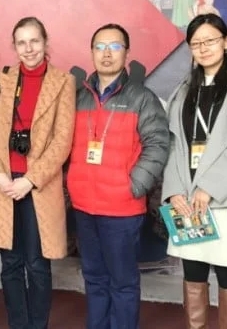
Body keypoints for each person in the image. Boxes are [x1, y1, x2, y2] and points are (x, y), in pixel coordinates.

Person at [162, 13, 227, 329]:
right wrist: (175, 190)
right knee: (193, 271)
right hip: (189, 197)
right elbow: (175, 145)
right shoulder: (183, 90)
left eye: (210, 40)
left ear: (226, 42)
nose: (204, 48)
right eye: (196, 43)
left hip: (226, 197)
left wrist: (210, 187)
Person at [0, 17, 76, 329]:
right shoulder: (3, 80)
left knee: (37, 264)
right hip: (4, 187)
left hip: (38, 187)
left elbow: (62, 139)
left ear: (45, 43)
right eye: (22, 42)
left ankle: (37, 325)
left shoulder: (63, 82)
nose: (29, 48)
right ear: (14, 47)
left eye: (34, 41)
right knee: (10, 264)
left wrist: (30, 179)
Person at [66, 23, 170, 329]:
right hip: (85, 206)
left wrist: (134, 185)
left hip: (122, 209)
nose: (106, 54)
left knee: (122, 282)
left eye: (114, 47)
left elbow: (159, 144)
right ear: (91, 52)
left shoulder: (142, 98)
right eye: (100, 47)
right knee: (94, 279)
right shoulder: (79, 98)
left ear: (126, 52)